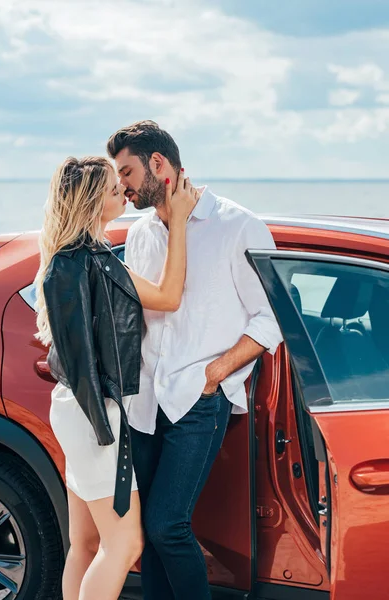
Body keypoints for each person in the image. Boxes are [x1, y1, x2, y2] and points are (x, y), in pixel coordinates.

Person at [106, 121, 284, 600]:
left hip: (199, 399)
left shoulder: (238, 226)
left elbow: (271, 318)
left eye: (126, 172)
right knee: (151, 531)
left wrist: (218, 371)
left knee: (168, 525)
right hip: (144, 400)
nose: (120, 185)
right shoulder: (141, 233)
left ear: (158, 165)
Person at [33, 156, 196, 600]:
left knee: (85, 544)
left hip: (79, 409)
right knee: (126, 544)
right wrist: (178, 221)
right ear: (90, 204)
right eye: (112, 190)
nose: (123, 194)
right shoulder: (86, 263)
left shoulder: (79, 258)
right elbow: (168, 296)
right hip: (94, 413)